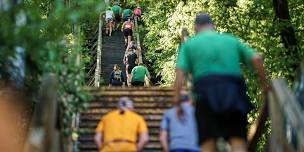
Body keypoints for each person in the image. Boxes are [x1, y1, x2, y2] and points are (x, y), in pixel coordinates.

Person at [174, 13, 269, 152]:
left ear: (195, 28)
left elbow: (181, 72)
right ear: (213, 26)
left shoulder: (189, 45)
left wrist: (177, 101)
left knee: (207, 143)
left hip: (204, 95)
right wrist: (265, 88)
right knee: (237, 142)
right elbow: (257, 60)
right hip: (233, 93)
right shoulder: (230, 40)